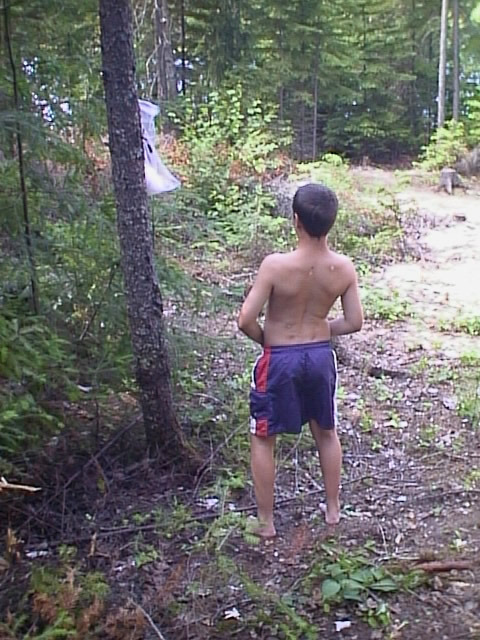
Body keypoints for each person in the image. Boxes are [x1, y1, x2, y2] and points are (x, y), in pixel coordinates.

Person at [238, 183, 363, 538]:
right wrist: (322, 330)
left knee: (264, 436)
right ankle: (333, 510)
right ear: (331, 222)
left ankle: (266, 522)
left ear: (296, 220)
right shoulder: (343, 268)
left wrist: (269, 339)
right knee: (326, 431)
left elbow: (245, 319)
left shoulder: (275, 266)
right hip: (320, 356)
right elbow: (354, 321)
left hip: (280, 357)